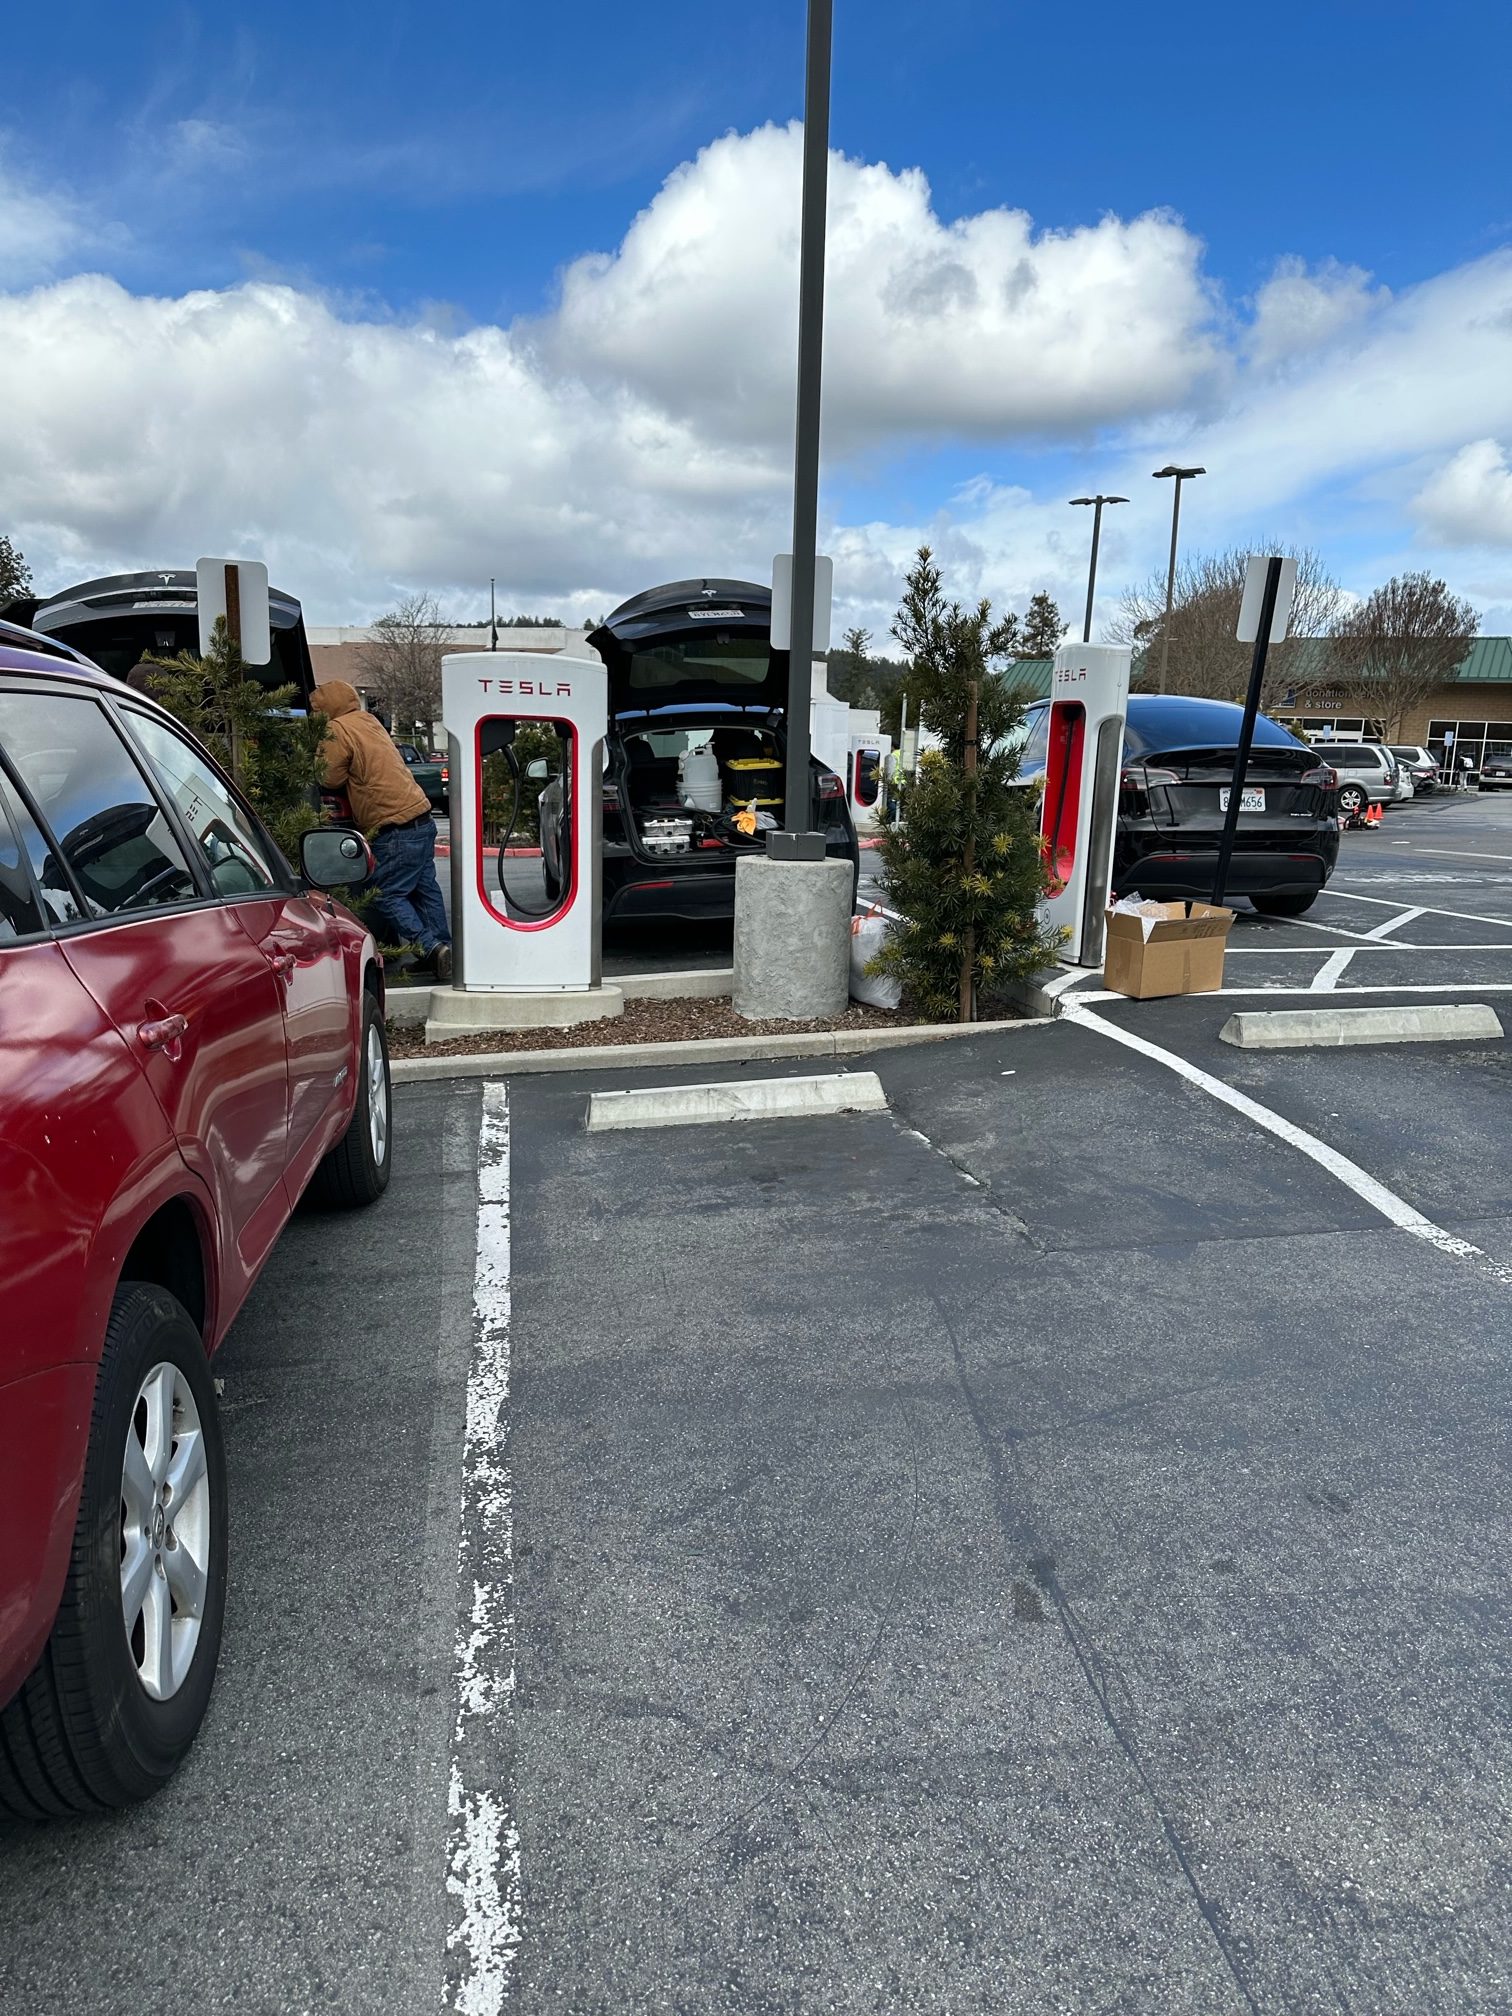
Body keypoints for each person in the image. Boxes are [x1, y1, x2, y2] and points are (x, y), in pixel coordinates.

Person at [309, 680, 452, 980]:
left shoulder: (336, 730)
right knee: (424, 890)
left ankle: (431, 948)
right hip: (421, 817)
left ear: (326, 709)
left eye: (315, 711)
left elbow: (329, 777)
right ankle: (443, 952)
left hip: (393, 825)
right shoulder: (368, 721)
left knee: (385, 894)